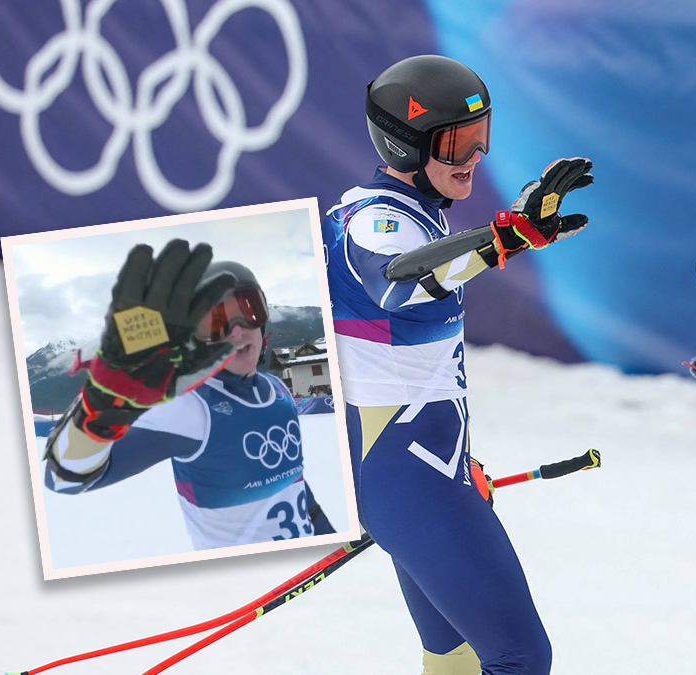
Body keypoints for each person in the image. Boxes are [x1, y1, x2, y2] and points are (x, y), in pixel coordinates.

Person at [323, 54, 592, 675]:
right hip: (406, 473)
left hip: (422, 466)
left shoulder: (414, 215)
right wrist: (505, 239)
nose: (474, 158)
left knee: (458, 657)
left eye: (481, 139)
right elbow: (400, 282)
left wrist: (455, 460)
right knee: (519, 656)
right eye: (455, 144)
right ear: (406, 144)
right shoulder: (375, 221)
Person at [45, 240, 335, 550]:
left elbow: (294, 488)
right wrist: (101, 407)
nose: (236, 331)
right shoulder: (191, 408)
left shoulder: (277, 390)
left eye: (249, 310)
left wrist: (329, 536)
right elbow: (62, 479)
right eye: (217, 321)